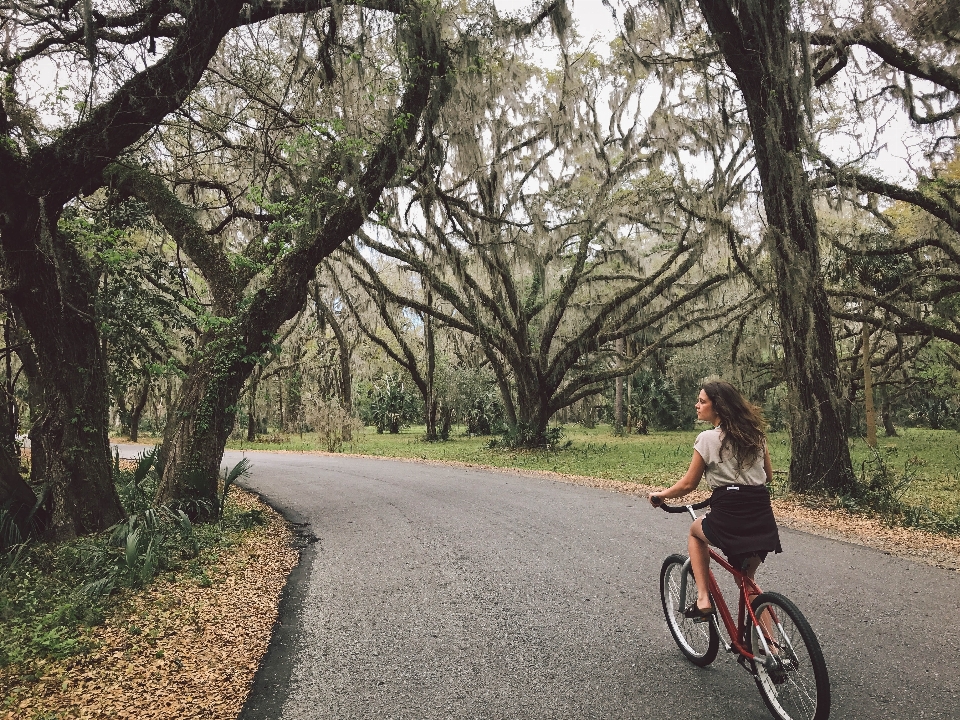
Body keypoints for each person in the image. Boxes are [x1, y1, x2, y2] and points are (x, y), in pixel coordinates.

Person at [649, 380, 782, 620]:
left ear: (718, 407)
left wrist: (662, 495)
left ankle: (702, 598)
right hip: (761, 516)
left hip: (730, 515)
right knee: (747, 582)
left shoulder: (707, 439)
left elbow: (689, 484)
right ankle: (771, 648)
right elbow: (768, 476)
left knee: (694, 532)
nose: (697, 405)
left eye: (702, 401)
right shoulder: (756, 436)